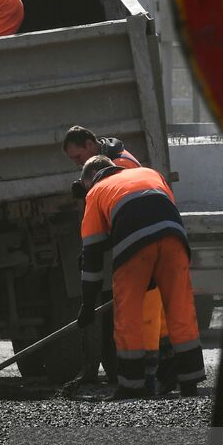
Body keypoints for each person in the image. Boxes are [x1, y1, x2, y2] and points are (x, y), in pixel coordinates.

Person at [76, 155, 204, 400]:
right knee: (180, 310)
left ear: (91, 179)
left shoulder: (96, 191)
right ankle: (190, 383)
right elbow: (164, 213)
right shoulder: (150, 173)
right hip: (174, 238)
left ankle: (132, 385)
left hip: (133, 245)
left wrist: (88, 304)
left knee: (128, 315)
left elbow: (92, 255)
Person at [60, 124, 175, 392]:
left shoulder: (119, 165)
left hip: (146, 242)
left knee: (146, 313)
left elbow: (132, 210)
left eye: (78, 157)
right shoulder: (110, 160)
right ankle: (158, 374)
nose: (78, 163)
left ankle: (146, 376)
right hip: (150, 239)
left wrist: (96, 251)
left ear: (90, 143)